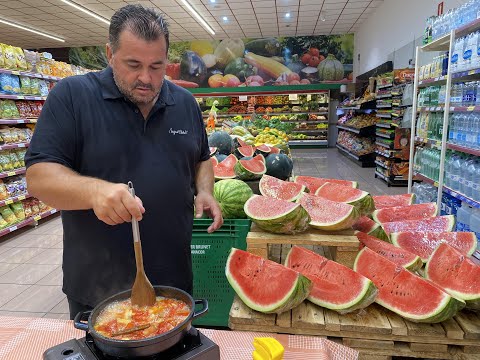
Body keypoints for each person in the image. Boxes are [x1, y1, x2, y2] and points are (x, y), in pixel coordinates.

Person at [25, 4, 223, 319]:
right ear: (110, 54)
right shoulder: (72, 96)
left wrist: (205, 190)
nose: (146, 78)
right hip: (97, 289)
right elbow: (38, 177)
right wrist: (94, 192)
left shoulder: (185, 103)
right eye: (133, 64)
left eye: (156, 66)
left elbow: (201, 158)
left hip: (175, 282)